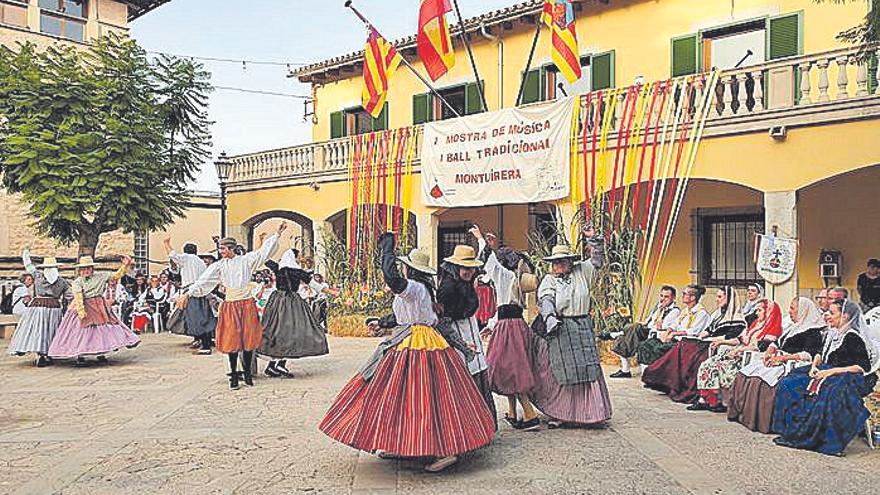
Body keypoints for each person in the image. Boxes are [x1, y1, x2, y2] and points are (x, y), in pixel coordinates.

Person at [319, 233, 494, 473]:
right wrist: (382, 322)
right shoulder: (422, 292)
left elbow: (393, 280)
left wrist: (387, 249)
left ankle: (443, 450)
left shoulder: (414, 288)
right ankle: (404, 444)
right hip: (422, 341)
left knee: (414, 397)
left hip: (415, 345)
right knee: (424, 397)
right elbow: (414, 319)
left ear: (411, 270)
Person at [177, 224, 284, 390]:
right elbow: (203, 280)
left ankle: (247, 373)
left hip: (246, 303)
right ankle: (234, 375)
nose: (221, 251)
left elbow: (263, 252)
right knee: (232, 340)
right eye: (220, 249)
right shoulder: (219, 265)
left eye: (223, 248)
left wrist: (277, 234)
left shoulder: (246, 260)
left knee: (248, 339)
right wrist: (188, 293)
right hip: (231, 304)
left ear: (232, 248)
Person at [530, 226, 613, 428]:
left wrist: (594, 239)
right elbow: (546, 298)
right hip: (561, 327)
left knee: (588, 369)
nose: (558, 265)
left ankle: (590, 413)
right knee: (563, 370)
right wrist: (550, 318)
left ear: (570, 261)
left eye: (562, 261)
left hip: (582, 325)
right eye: (555, 262)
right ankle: (561, 412)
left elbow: (598, 260)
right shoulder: (549, 280)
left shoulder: (582, 271)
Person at [772, 299, 878, 456]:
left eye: (832, 313)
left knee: (831, 393)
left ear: (845, 316)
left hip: (847, 374)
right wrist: (815, 365)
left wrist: (830, 372)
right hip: (825, 369)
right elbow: (821, 354)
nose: (827, 316)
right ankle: (793, 430)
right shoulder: (832, 333)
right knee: (788, 383)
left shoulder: (852, 337)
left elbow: (862, 367)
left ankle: (822, 438)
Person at [472, 224, 540, 431]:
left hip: (508, 328)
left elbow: (490, 262)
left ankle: (529, 414)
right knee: (509, 368)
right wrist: (492, 324)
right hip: (515, 324)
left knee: (508, 369)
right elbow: (506, 306)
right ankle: (512, 411)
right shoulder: (517, 278)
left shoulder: (505, 276)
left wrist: (481, 239)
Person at [727, 297, 826, 433]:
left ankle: (760, 421)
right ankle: (741, 414)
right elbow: (777, 342)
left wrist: (783, 357)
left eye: (792, 308)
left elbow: (809, 355)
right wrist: (770, 350)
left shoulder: (813, 332)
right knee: (745, 373)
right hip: (777, 358)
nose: (789, 311)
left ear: (803, 310)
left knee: (759, 381)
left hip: (791, 362)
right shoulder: (792, 327)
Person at [642, 286, 746, 403]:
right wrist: (702, 337)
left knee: (687, 348)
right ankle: (666, 380)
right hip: (705, 341)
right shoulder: (718, 315)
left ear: (729, 299)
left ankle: (684, 388)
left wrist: (710, 339)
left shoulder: (737, 318)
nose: (717, 299)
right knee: (683, 345)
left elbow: (731, 337)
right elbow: (708, 330)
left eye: (720, 297)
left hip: (715, 344)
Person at [437, 244, 497, 428]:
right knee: (464, 377)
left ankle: (482, 426)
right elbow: (444, 321)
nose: (468, 271)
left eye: (471, 268)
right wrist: (460, 344)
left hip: (470, 330)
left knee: (477, 372)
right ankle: (470, 428)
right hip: (457, 334)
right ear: (456, 267)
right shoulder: (447, 288)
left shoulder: (466, 283)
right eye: (465, 268)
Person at [690, 299, 784, 412]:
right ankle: (704, 399)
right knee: (707, 363)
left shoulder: (773, 329)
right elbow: (740, 339)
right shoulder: (755, 325)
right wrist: (722, 342)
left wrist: (740, 350)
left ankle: (714, 402)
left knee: (715, 367)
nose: (756, 313)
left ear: (768, 312)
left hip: (749, 359)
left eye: (759, 310)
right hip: (738, 353)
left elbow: (760, 347)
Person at [48, 255, 141, 365]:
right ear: (80, 270)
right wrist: (81, 311)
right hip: (83, 303)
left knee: (101, 330)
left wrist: (125, 265)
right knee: (80, 330)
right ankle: (80, 354)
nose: (86, 271)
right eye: (83, 268)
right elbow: (78, 296)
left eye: (88, 268)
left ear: (92, 268)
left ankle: (101, 352)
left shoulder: (101, 276)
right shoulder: (77, 282)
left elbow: (116, 276)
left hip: (98, 304)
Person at [259, 256, 329, 378]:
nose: (299, 260)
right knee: (290, 333)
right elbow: (314, 284)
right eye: (297, 257)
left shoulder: (278, 268)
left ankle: (272, 365)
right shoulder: (297, 272)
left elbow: (265, 259)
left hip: (276, 302)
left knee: (277, 332)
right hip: (290, 303)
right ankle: (279, 364)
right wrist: (331, 291)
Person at [8, 249, 72, 367]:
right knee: (45, 330)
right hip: (48, 307)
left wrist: (26, 254)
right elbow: (70, 296)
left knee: (42, 330)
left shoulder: (41, 276)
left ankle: (44, 354)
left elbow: (28, 265)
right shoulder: (61, 281)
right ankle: (44, 354)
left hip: (42, 307)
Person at [609, 286, 680, 378]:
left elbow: (665, 327)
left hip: (655, 333)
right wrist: (644, 322)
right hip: (646, 330)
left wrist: (661, 318)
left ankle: (618, 333)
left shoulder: (675, 311)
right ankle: (625, 370)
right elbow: (648, 320)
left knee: (632, 328)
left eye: (666, 297)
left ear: (673, 298)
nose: (662, 299)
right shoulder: (658, 306)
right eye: (661, 296)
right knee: (622, 339)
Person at [636, 285, 712, 369]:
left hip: (686, 343)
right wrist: (669, 331)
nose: (682, 296)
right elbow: (675, 324)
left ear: (693, 297)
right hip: (675, 340)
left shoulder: (701, 313)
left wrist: (673, 334)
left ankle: (656, 373)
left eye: (684, 294)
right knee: (646, 344)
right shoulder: (685, 311)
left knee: (658, 349)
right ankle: (646, 372)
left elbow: (693, 331)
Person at [164, 238, 217, 355]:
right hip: (201, 291)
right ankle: (201, 341)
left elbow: (173, 255)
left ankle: (205, 345)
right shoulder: (201, 262)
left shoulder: (187, 258)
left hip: (191, 291)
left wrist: (166, 243)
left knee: (196, 318)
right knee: (203, 317)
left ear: (185, 251)